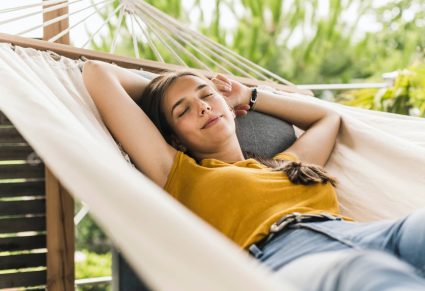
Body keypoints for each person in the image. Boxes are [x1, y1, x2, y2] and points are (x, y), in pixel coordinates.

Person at [82, 60, 425, 290]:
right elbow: (98, 73)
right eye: (183, 110)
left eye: (207, 96)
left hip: (363, 234)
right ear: (174, 139)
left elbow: (327, 119)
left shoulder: (282, 164)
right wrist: (162, 92)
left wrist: (250, 95)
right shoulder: (177, 173)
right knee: (367, 274)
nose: (202, 106)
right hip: (280, 259)